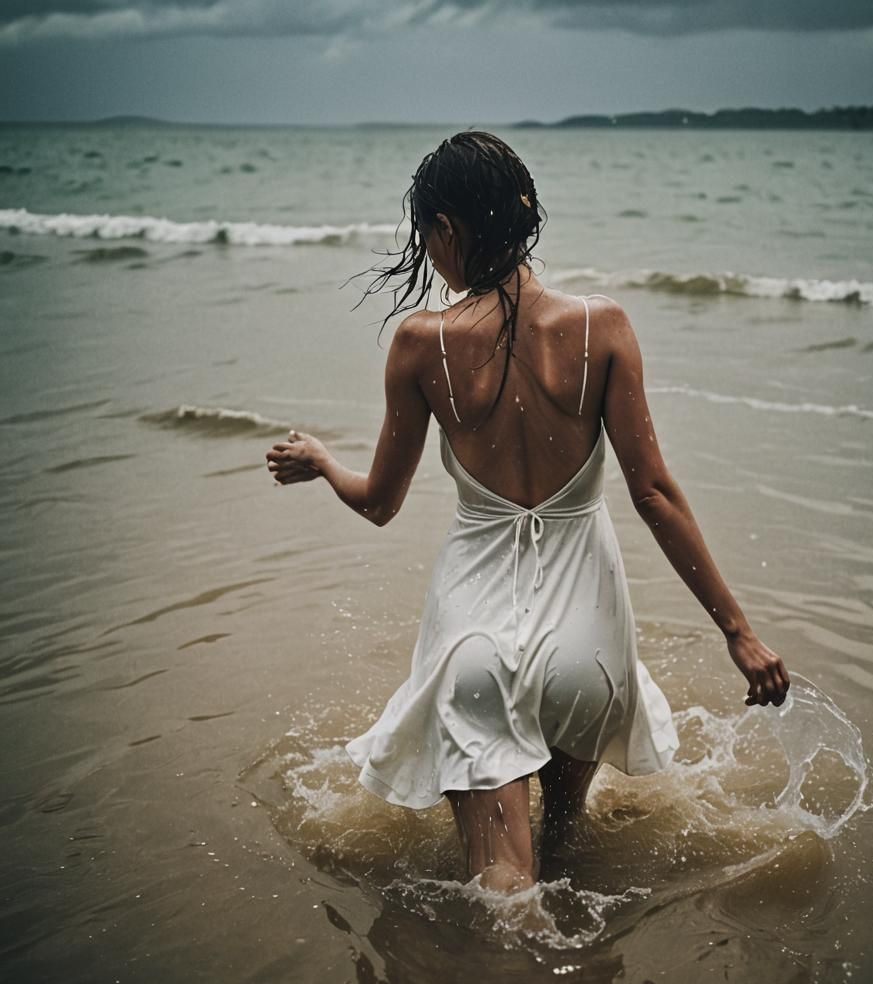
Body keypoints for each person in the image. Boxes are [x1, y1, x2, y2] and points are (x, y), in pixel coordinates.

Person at [265, 131, 789, 895]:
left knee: (505, 887)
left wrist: (320, 461)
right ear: (524, 213)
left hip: (475, 639)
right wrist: (738, 633)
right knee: (566, 851)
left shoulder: (421, 344)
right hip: (588, 646)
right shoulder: (602, 327)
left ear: (447, 229)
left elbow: (378, 503)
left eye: (428, 235)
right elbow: (653, 493)